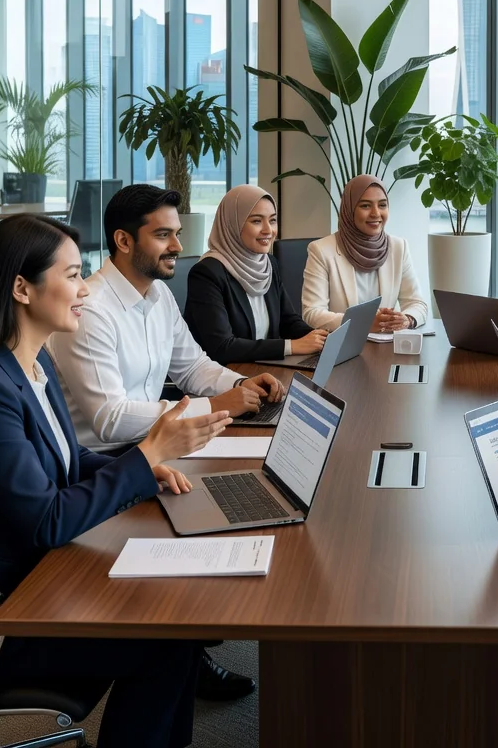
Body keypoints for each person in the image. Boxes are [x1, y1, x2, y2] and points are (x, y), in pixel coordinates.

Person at [0, 214, 230, 748]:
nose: (85, 289)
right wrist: (144, 458)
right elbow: (47, 520)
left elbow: (68, 459)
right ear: (21, 288)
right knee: (166, 641)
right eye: (74, 275)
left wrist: (152, 472)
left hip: (27, 581)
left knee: (175, 623)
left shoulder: (33, 364)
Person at [48, 183, 284, 700]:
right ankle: (181, 641)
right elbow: (109, 419)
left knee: (248, 491)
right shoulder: (91, 310)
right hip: (104, 465)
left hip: (155, 447)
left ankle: (188, 639)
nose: (178, 245)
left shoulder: (156, 296)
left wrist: (237, 385)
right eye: (163, 235)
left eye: (177, 233)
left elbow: (192, 365)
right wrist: (212, 408)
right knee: (220, 502)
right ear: (124, 241)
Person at [184, 184, 328, 362]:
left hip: (266, 369)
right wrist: (291, 346)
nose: (268, 230)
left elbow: (287, 320)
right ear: (233, 224)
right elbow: (222, 347)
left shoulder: (268, 263)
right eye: (257, 221)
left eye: (273, 220)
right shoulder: (207, 274)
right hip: (226, 377)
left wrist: (318, 338)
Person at [302, 174, 428, 334]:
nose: (376, 213)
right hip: (341, 350)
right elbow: (312, 313)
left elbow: (417, 303)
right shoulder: (321, 250)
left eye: (382, 205)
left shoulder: (398, 247)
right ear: (349, 209)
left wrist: (407, 319)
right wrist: (362, 323)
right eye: (365, 206)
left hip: (386, 347)